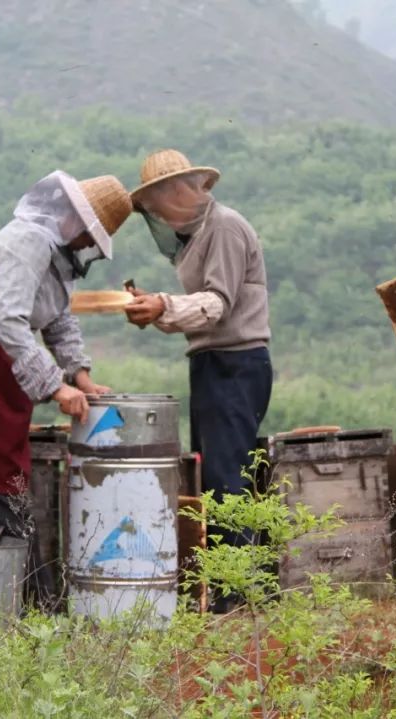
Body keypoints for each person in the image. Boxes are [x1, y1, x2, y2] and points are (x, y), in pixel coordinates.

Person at [0, 170, 132, 611]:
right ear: (76, 220)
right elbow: (10, 321)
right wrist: (55, 388)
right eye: (89, 236)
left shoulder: (56, 251)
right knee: (1, 480)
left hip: (2, 362)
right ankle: (39, 604)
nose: (86, 245)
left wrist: (80, 375)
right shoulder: (28, 240)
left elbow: (58, 318)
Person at [123, 149, 272, 611]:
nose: (158, 212)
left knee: (228, 478)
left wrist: (163, 306)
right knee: (214, 476)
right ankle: (225, 590)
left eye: (159, 200)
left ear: (180, 191)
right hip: (212, 363)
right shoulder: (198, 235)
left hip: (236, 363)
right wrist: (155, 305)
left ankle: (235, 596)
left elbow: (216, 304)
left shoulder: (224, 227)